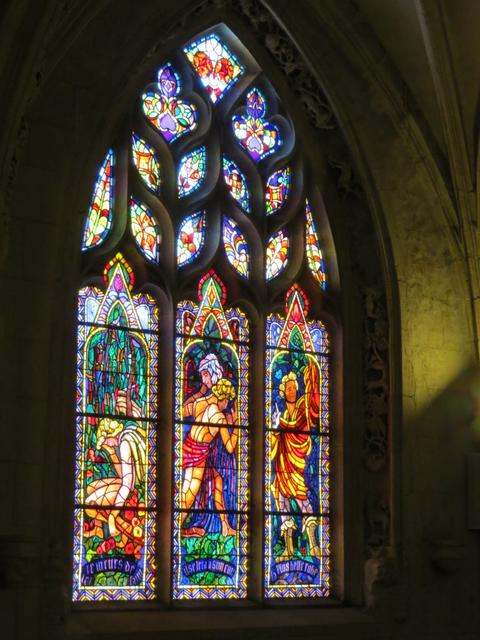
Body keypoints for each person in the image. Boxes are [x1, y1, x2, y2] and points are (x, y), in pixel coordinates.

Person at [270, 361, 321, 560]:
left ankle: (314, 545)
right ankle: (288, 549)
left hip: (296, 463)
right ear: (283, 392)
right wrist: (276, 430)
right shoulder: (283, 413)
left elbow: (299, 426)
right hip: (282, 464)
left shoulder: (301, 408)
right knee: (282, 502)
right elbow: (278, 438)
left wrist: (280, 425)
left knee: (303, 501)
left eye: (294, 387)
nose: (292, 391)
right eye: (288, 389)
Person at [181, 376, 238, 537]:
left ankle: (225, 526)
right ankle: (176, 526)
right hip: (198, 455)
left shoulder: (203, 404)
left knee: (217, 480)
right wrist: (237, 425)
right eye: (228, 401)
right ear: (224, 399)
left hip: (189, 447)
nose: (227, 405)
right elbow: (230, 447)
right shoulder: (219, 418)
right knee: (190, 493)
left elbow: (183, 410)